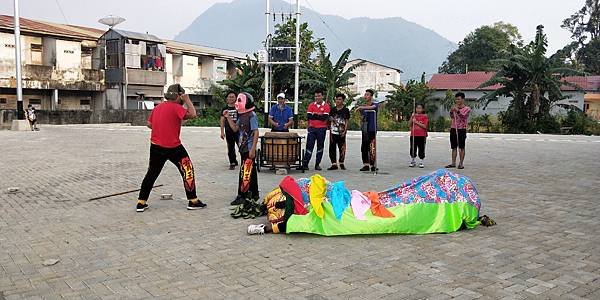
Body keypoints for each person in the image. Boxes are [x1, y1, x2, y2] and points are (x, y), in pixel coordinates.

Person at [136, 84, 206, 212]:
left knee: (151, 173)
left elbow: (149, 124)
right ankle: (193, 200)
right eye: (182, 95)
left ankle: (141, 202)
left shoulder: (158, 107)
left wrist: (162, 128)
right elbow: (193, 114)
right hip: (174, 147)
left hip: (156, 146)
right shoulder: (176, 107)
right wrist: (188, 100)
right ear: (179, 95)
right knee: (187, 169)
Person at [223, 92, 260, 206]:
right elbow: (235, 128)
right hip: (243, 148)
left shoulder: (251, 115)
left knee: (245, 172)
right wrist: (228, 117)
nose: (236, 103)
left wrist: (253, 149)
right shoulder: (241, 116)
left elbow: (256, 132)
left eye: (239, 100)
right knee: (251, 171)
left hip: (249, 148)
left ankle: (242, 195)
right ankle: (254, 192)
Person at [299, 89, 330, 171]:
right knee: (309, 146)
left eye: (319, 96)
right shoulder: (311, 105)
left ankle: (317, 164)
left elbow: (324, 118)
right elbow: (309, 116)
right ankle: (305, 164)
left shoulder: (326, 106)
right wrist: (318, 115)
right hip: (312, 129)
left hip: (321, 129)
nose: (317, 98)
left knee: (320, 147)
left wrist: (315, 115)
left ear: (322, 96)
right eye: (316, 96)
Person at [355, 89, 379, 172]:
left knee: (372, 146)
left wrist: (361, 107)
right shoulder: (363, 106)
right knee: (364, 146)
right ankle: (366, 164)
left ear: (371, 96)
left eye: (368, 95)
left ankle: (373, 164)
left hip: (372, 128)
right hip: (365, 128)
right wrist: (361, 118)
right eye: (365, 95)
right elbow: (362, 117)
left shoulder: (375, 103)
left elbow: (373, 107)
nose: (366, 96)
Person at [446, 92, 471, 170]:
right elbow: (452, 117)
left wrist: (457, 111)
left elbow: (463, 116)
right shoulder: (454, 107)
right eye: (456, 99)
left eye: (459, 99)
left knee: (461, 147)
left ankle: (461, 163)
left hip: (462, 129)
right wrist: (451, 111)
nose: (457, 101)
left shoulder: (467, 108)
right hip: (454, 128)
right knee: (453, 147)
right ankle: (453, 163)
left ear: (463, 99)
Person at [328, 93, 350, 170]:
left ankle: (341, 163)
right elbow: (329, 118)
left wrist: (345, 131)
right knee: (332, 147)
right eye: (336, 99)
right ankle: (334, 164)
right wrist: (330, 119)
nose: (337, 101)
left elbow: (347, 121)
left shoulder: (346, 110)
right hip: (333, 132)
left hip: (341, 131)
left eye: (339, 99)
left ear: (343, 100)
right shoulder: (332, 109)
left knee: (342, 148)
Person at [220, 91, 239, 170]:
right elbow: (222, 120)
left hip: (238, 130)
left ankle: (245, 160)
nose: (231, 98)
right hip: (228, 131)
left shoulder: (238, 108)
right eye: (229, 97)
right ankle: (232, 162)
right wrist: (222, 132)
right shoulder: (225, 109)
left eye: (232, 97)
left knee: (241, 146)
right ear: (227, 98)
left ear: (236, 98)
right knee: (230, 147)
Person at [408, 104, 429, 168]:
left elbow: (425, 126)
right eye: (417, 108)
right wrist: (412, 117)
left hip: (422, 135)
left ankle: (421, 161)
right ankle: (413, 160)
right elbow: (409, 125)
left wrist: (416, 122)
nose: (418, 109)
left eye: (420, 108)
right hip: (414, 134)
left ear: (422, 109)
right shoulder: (413, 116)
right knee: (413, 148)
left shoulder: (425, 116)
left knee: (421, 148)